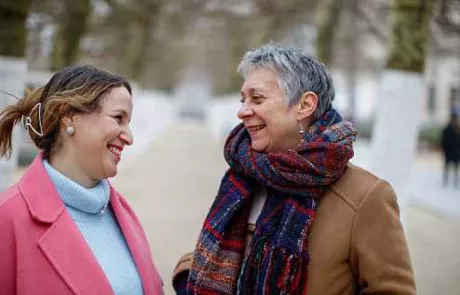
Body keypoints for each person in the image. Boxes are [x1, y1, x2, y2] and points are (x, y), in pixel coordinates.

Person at [172, 44, 416, 294]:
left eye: (257, 99)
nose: (242, 111)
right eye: (242, 99)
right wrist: (188, 274)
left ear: (305, 105)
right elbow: (227, 258)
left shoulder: (366, 197)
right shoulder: (242, 176)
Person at [0, 65, 163, 295]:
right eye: (118, 118)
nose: (130, 137)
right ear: (69, 119)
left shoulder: (123, 214)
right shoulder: (7, 217)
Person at [441, 113, 460, 187]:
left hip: (456, 151)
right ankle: (445, 180)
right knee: (447, 166)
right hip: (448, 151)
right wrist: (443, 149)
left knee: (456, 167)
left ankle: (456, 180)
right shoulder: (446, 129)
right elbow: (443, 140)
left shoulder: (458, 129)